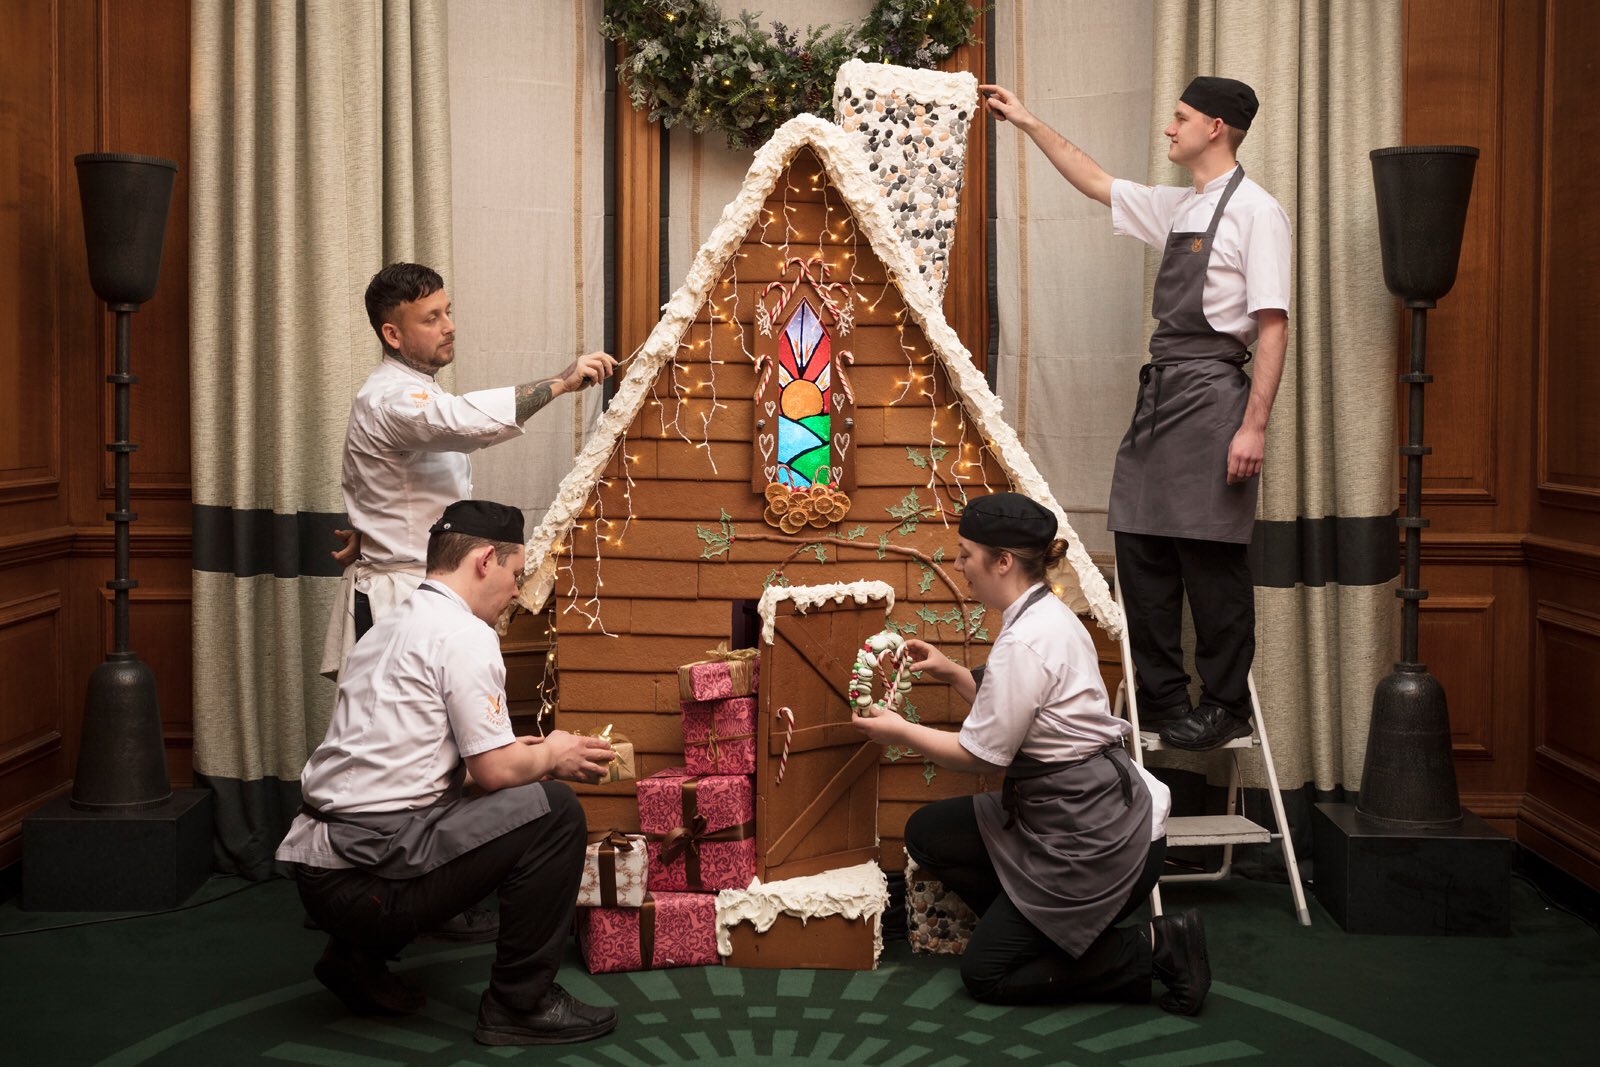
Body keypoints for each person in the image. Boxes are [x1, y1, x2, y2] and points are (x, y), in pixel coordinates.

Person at [980, 77, 1291, 751]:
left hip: (1214, 396)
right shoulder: (1181, 207)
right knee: (1142, 551)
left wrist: (1254, 425)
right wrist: (1030, 122)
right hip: (1161, 399)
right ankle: (1165, 701)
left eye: (1180, 118)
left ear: (1215, 127)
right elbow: (1096, 181)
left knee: (1211, 559)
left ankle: (1226, 704)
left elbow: (1272, 327)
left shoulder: (1258, 213)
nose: (1168, 127)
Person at [278, 500, 620, 1046]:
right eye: (514, 573)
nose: (515, 590)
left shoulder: (389, 627)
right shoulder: (465, 634)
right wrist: (550, 754)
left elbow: (403, 770)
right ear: (485, 560)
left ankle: (353, 963)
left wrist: (513, 760)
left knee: (509, 791)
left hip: (321, 876)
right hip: (368, 884)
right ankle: (520, 1004)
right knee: (555, 811)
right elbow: (495, 769)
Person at [852, 493, 1208, 1013]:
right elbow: (1024, 715)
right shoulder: (1044, 615)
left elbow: (983, 755)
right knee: (928, 833)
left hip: (1097, 836)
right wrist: (953, 672)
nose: (957, 565)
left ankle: (1155, 946)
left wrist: (900, 731)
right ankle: (1035, 927)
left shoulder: (1027, 639)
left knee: (986, 975)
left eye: (965, 553)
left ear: (1002, 562)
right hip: (1065, 810)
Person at [321, 261, 617, 679]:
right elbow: (463, 422)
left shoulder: (416, 388)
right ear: (393, 334)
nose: (450, 326)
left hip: (426, 592)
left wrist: (373, 526)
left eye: (448, 311)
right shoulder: (389, 398)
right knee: (395, 733)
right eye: (432, 318)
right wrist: (561, 382)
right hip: (400, 601)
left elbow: (394, 481)